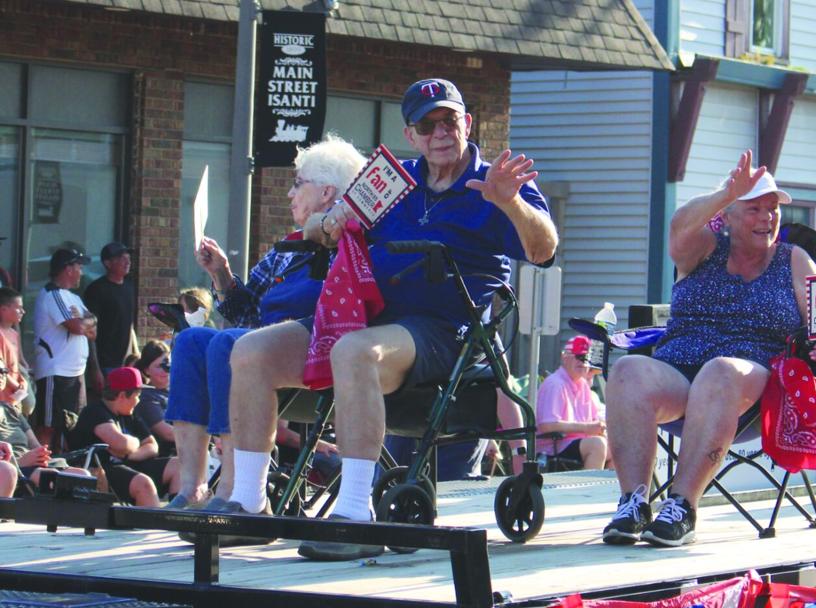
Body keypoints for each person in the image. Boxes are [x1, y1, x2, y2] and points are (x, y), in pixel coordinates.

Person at [223, 77, 557, 561]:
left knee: (353, 351)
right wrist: (327, 222)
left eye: (449, 121)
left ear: (467, 123)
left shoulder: (495, 183)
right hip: (368, 316)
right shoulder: (390, 181)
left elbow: (543, 250)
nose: (440, 132)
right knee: (250, 350)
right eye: (428, 125)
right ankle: (250, 505)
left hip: (444, 332)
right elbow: (316, 228)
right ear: (411, 135)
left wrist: (510, 202)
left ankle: (355, 513)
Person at [601, 152, 816, 547]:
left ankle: (681, 506)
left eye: (772, 209)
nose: (768, 217)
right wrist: (726, 192)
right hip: (681, 368)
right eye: (754, 209)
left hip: (751, 379)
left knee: (720, 372)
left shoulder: (794, 260)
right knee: (627, 369)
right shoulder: (704, 248)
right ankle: (634, 503)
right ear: (727, 215)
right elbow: (678, 225)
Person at [164, 135, 366, 512]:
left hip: (316, 356)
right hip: (260, 350)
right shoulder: (286, 248)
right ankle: (192, 487)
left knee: (229, 343)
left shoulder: (354, 244)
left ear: (327, 192)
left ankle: (232, 487)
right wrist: (222, 273)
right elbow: (245, 314)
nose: (290, 193)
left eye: (298, 183)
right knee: (191, 341)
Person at [64, 367, 178, 506]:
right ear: (122, 395)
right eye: (137, 395)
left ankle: (176, 513)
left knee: (178, 465)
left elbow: (153, 446)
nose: (138, 401)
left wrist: (130, 455)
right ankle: (153, 520)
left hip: (128, 463)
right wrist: (136, 443)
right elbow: (121, 443)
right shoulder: (95, 412)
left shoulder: (130, 414)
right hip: (103, 470)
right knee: (144, 484)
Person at [32, 249, 96, 449]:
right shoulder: (53, 294)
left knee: (72, 425)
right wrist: (88, 321)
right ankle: (38, 465)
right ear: (68, 269)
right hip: (56, 370)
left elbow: (93, 332)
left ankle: (61, 465)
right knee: (48, 426)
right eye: (79, 267)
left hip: (76, 372)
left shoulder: (74, 298)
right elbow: (77, 327)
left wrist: (88, 321)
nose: (81, 272)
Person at [536, 336, 608, 470]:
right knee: (597, 445)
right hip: (553, 448)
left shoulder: (583, 385)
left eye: (586, 358)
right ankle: (589, 484)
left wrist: (599, 428)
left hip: (576, 443)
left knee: (618, 448)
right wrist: (587, 428)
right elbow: (547, 426)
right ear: (564, 357)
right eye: (579, 357)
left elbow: (593, 421)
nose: (583, 363)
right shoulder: (555, 384)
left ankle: (610, 485)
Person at [83, 242, 137, 373]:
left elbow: (129, 324)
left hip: (126, 363)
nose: (127, 262)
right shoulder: (96, 290)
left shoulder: (130, 286)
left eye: (128, 258)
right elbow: (89, 331)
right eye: (122, 258)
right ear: (107, 263)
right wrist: (95, 369)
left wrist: (135, 354)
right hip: (105, 363)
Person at [132, 341, 174, 457]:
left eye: (168, 365)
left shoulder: (177, 391)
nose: (166, 370)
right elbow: (167, 433)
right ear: (147, 370)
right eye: (159, 366)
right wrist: (201, 434)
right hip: (165, 456)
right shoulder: (146, 397)